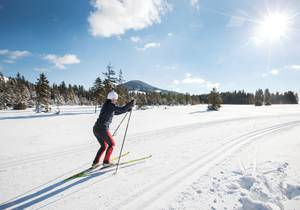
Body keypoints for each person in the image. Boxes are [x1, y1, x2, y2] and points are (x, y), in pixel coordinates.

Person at [92, 90, 134, 168]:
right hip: (102, 129)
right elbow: (121, 109)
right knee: (112, 144)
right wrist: (130, 104)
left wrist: (126, 110)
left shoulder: (107, 105)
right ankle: (106, 162)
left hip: (96, 129)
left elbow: (116, 112)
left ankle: (95, 162)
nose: (116, 100)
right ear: (113, 98)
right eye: (116, 99)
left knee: (103, 146)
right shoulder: (110, 105)